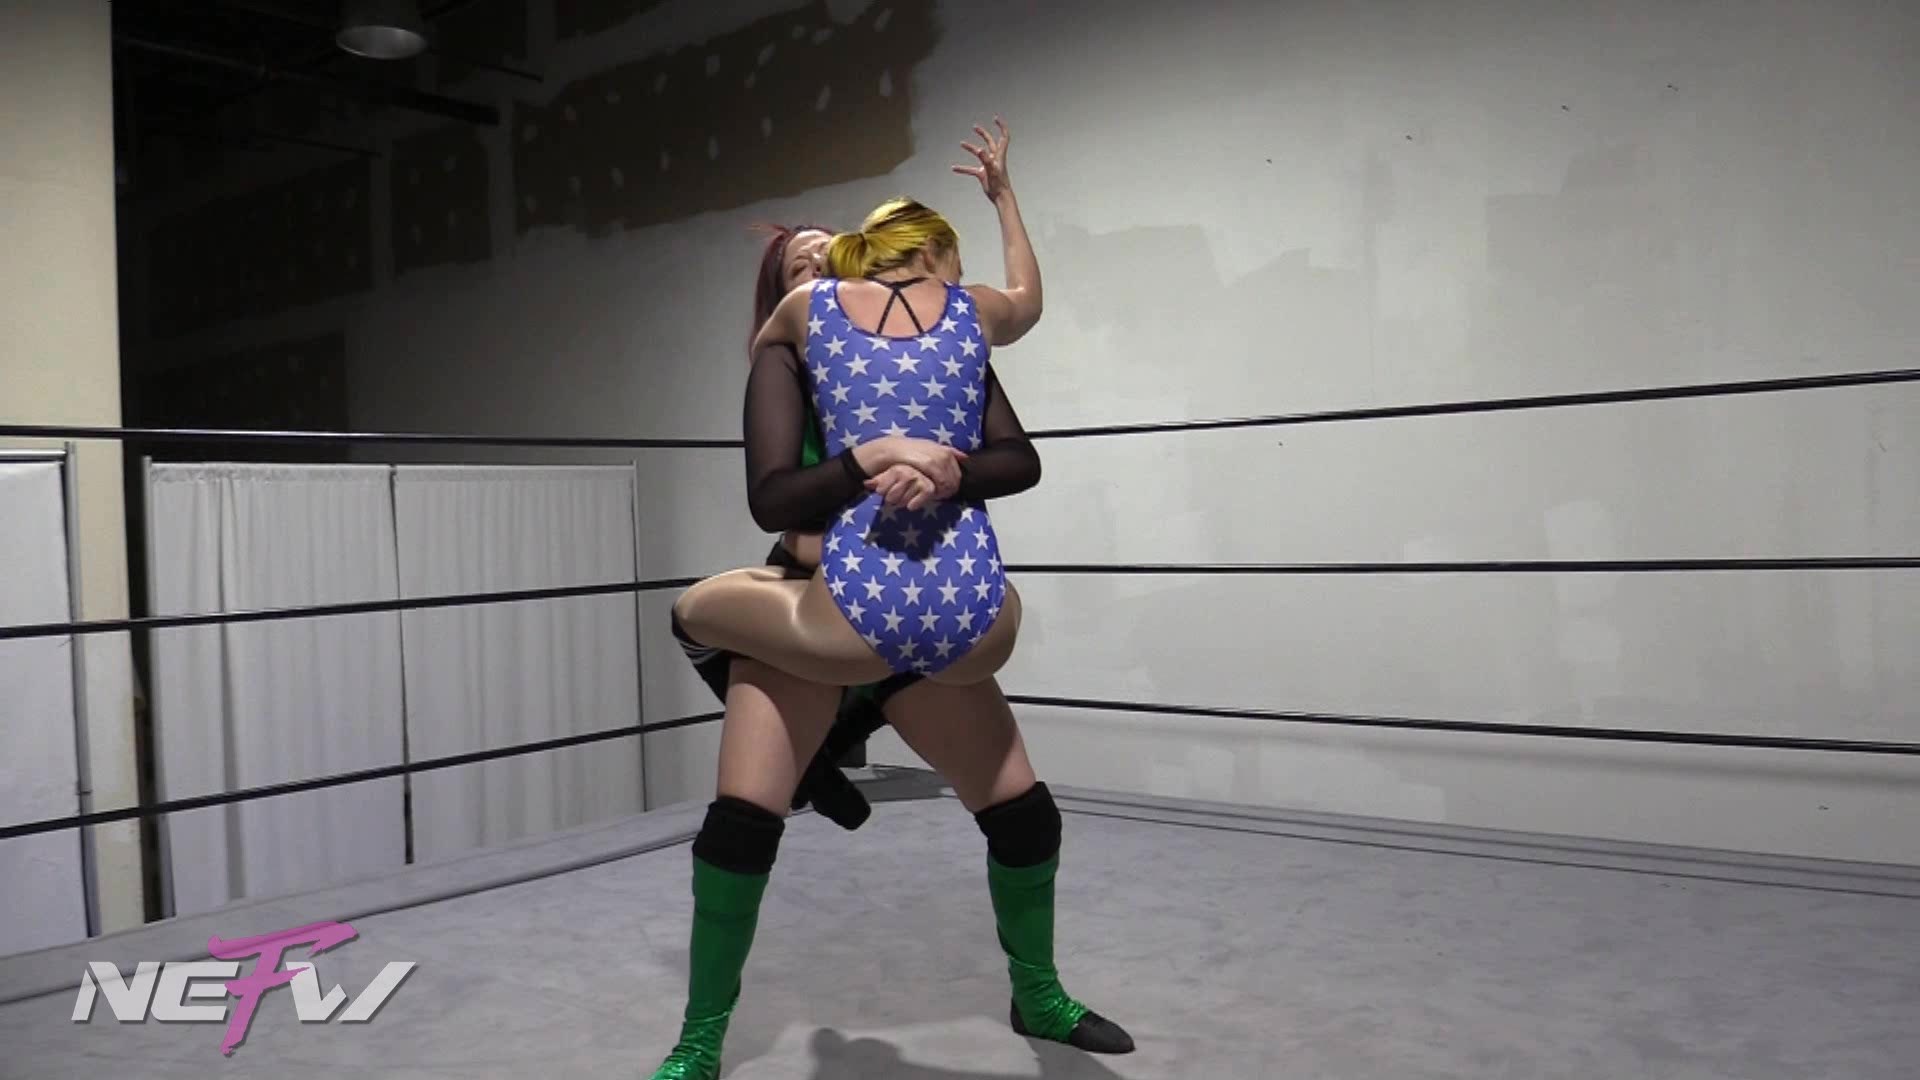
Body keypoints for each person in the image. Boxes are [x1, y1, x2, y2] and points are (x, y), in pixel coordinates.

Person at [648, 121, 1132, 1080]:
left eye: (835, 254)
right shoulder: (788, 354)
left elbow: (1013, 455)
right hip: (812, 614)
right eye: (803, 266)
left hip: (923, 595)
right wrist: (866, 466)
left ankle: (1038, 994)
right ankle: (699, 1039)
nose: (826, 272)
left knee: (1025, 815)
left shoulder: (935, 347)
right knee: (741, 826)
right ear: (787, 297)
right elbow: (777, 502)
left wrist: (948, 469)